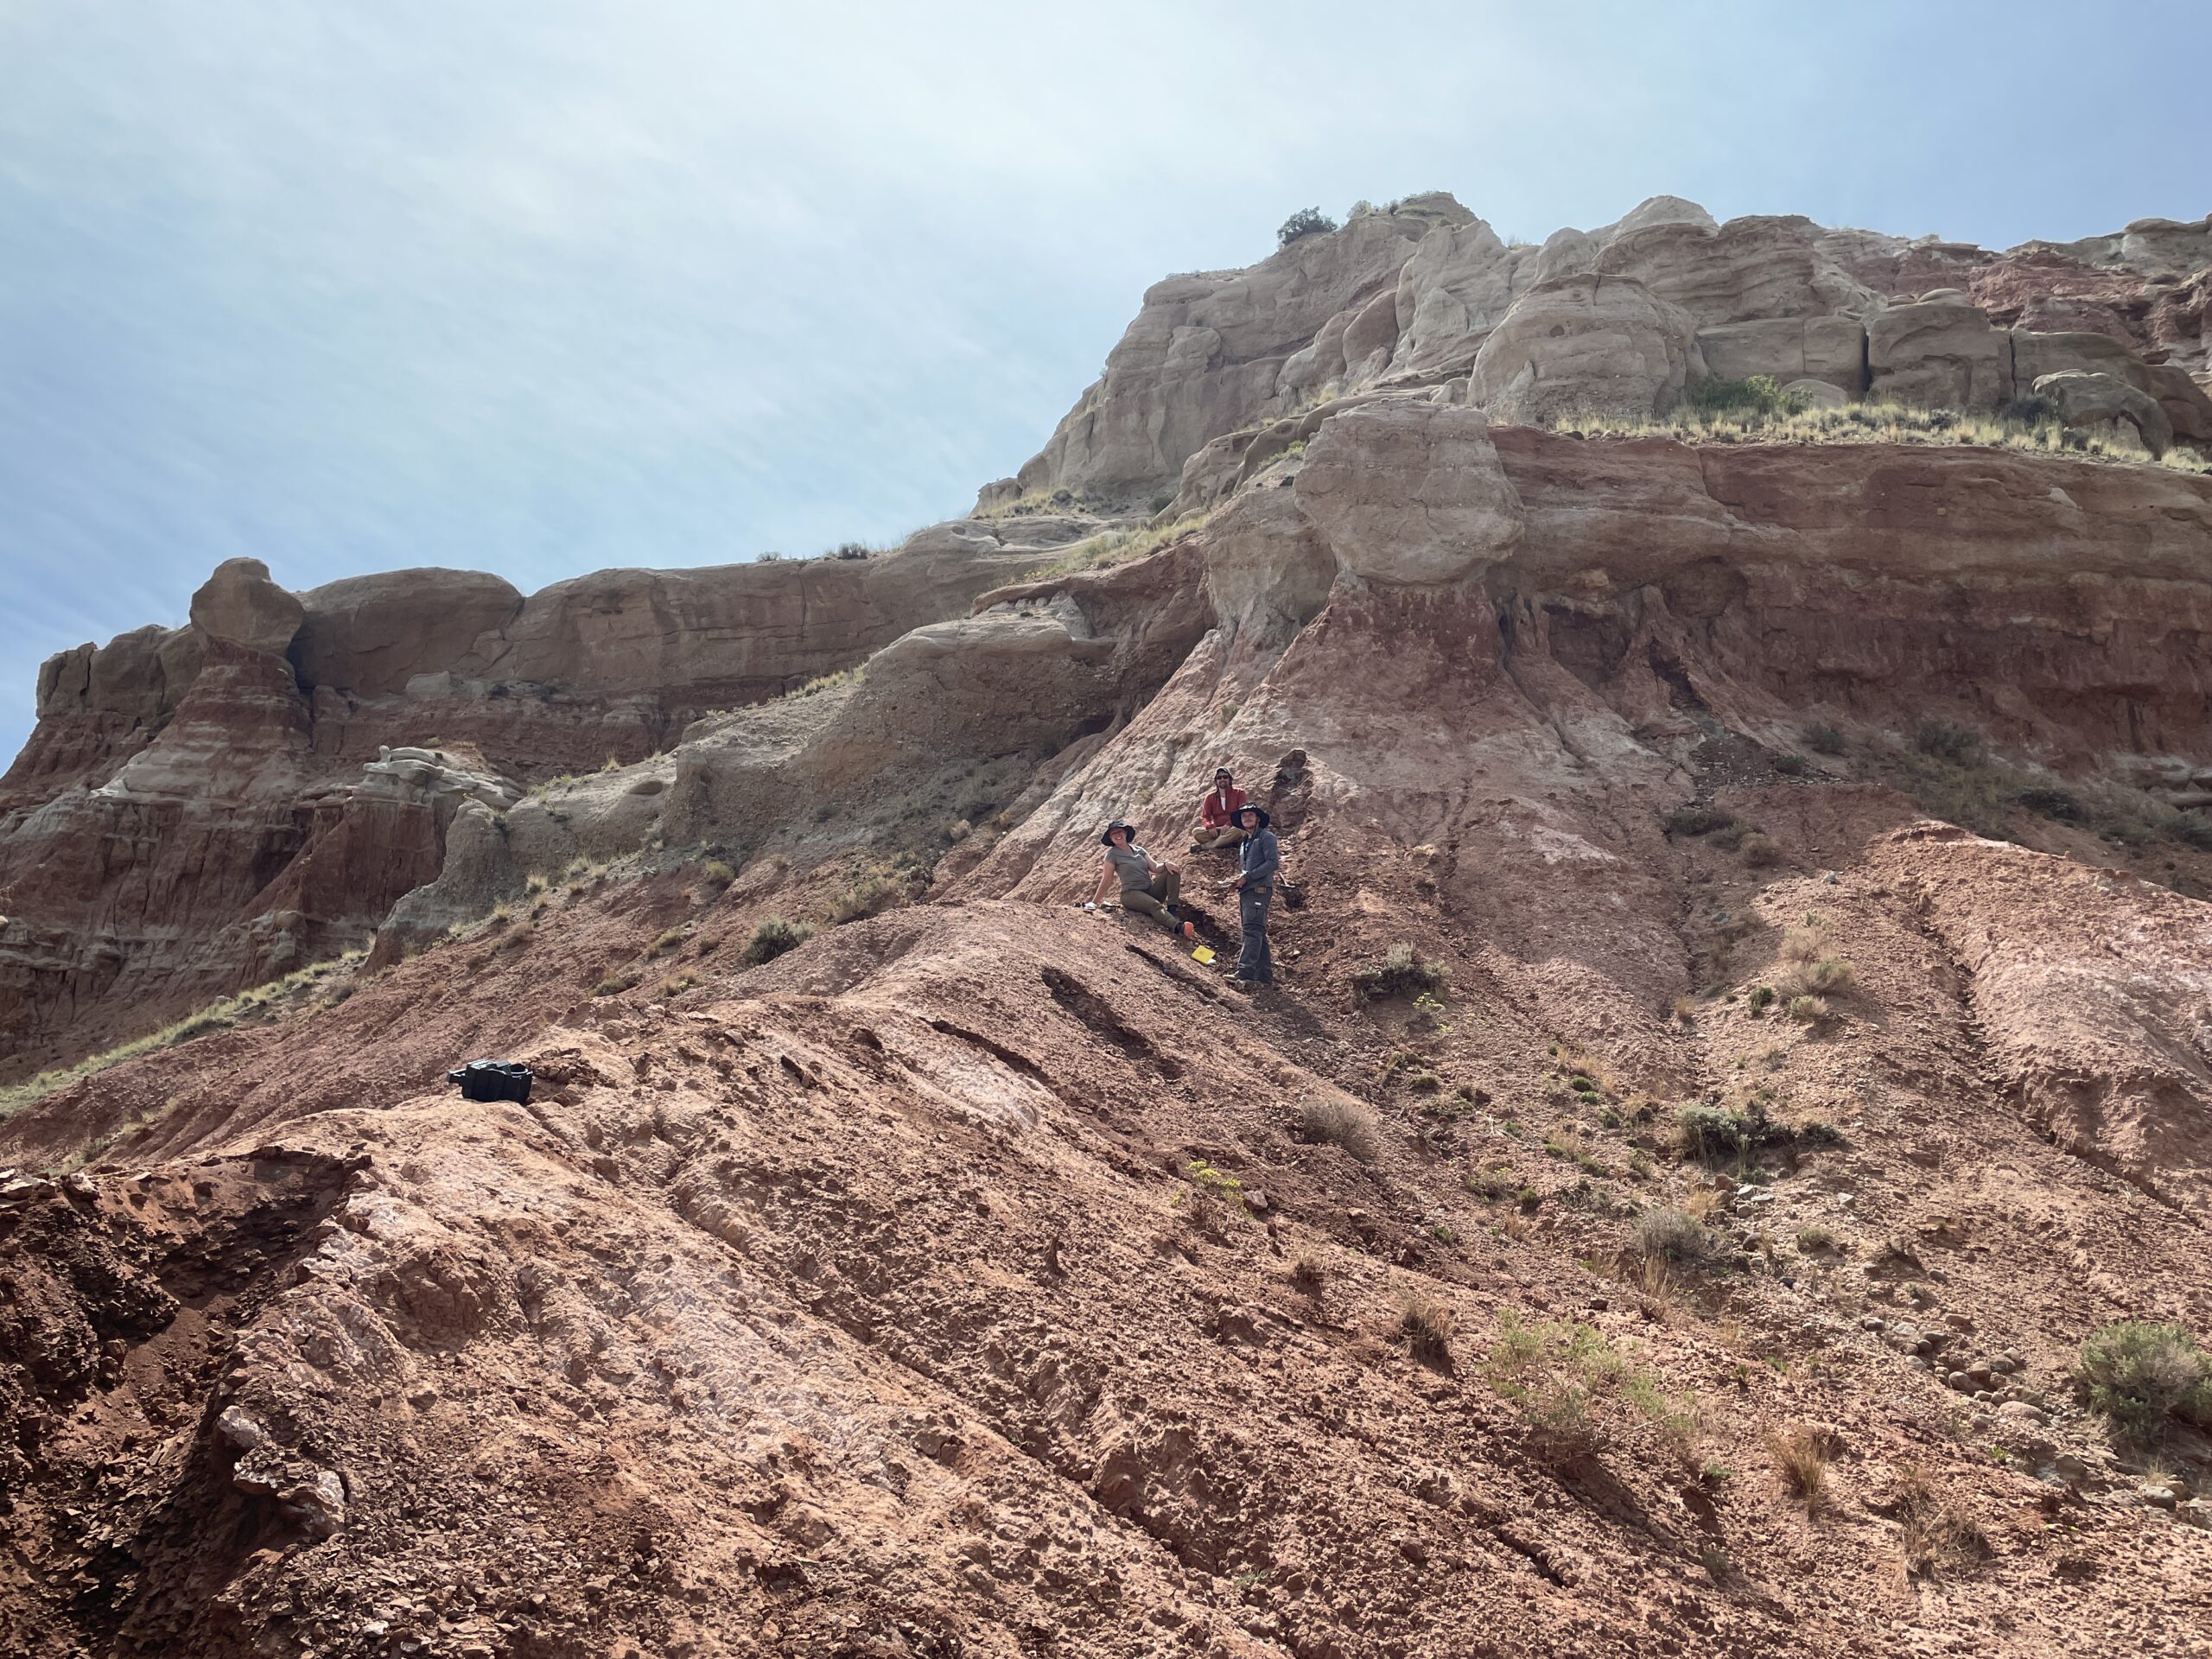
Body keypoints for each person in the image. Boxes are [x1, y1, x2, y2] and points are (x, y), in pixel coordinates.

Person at [1089, 821, 1197, 938]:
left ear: (1125, 833)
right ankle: (1179, 928)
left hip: (1150, 891)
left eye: (1119, 831)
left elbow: (1155, 868)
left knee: (1172, 870)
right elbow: (1107, 880)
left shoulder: (1139, 850)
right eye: (1113, 833)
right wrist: (1094, 902)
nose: (1117, 834)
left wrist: (1166, 864)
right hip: (1131, 894)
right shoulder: (1112, 855)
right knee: (1155, 906)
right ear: (1110, 838)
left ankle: (1173, 909)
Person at [1228, 803, 1279, 987]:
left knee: (1251, 930)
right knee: (1258, 932)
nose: (1247, 818)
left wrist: (1248, 877)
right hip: (1248, 891)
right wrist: (1239, 881)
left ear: (1258, 818)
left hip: (1259, 891)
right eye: (1244, 816)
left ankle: (1244, 973)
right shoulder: (1245, 843)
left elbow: (1273, 862)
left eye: (1251, 815)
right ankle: (1264, 978)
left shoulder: (1267, 837)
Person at [1191, 767, 1249, 852]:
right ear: (1216, 781)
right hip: (1218, 830)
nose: (1222, 779)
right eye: (1219, 777)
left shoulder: (1239, 793)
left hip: (1233, 828)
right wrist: (1209, 826)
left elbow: (1242, 812)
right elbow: (1205, 816)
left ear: (1230, 779)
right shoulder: (1210, 797)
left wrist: (1229, 825)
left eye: (1225, 777)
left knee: (1240, 830)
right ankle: (1227, 843)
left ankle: (1204, 847)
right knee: (1196, 832)